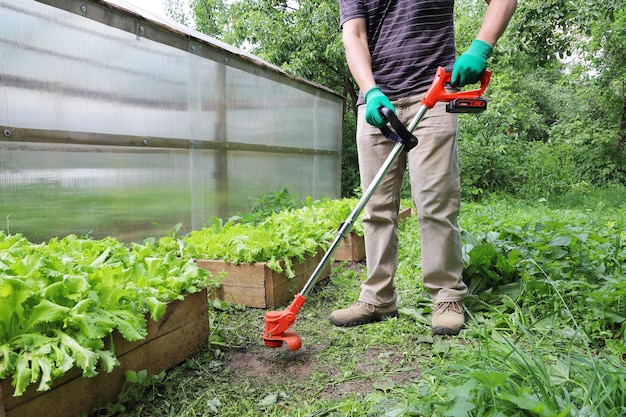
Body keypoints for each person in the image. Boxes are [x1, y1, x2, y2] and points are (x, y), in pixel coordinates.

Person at [330, 0, 517, 335]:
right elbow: (354, 35)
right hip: (376, 101)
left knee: (435, 202)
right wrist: (370, 91)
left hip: (433, 92)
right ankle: (377, 296)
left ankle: (446, 296)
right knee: (376, 206)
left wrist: (480, 48)